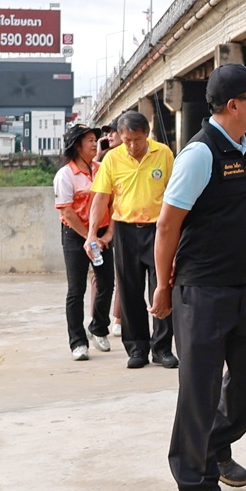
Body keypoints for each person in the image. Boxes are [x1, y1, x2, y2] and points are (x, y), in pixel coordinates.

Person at [152, 64, 246, 491]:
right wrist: (163, 285)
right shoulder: (199, 154)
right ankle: (194, 487)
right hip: (203, 289)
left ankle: (213, 443)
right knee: (200, 388)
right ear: (233, 105)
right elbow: (167, 225)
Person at [87, 110, 176, 369]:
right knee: (129, 290)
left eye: (137, 140)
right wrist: (92, 233)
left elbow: (174, 193)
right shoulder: (112, 158)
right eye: (127, 141)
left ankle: (162, 348)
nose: (132, 146)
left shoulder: (163, 153)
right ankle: (137, 347)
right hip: (125, 231)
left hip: (158, 230)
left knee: (161, 286)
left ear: (147, 134)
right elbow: (101, 197)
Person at [53, 124, 115, 360]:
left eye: (94, 139)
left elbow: (112, 203)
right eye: (89, 140)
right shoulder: (65, 175)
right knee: (76, 289)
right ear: (77, 146)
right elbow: (67, 212)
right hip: (75, 234)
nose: (94, 144)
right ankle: (78, 342)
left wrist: (105, 235)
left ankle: (98, 328)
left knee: (107, 282)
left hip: (101, 233)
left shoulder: (102, 169)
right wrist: (89, 236)